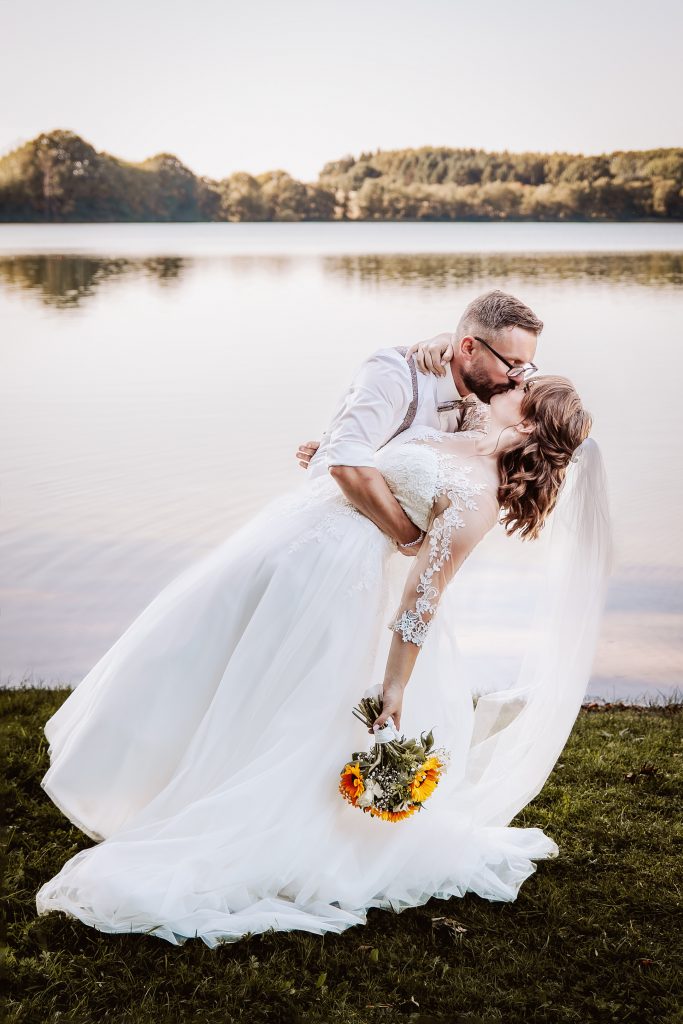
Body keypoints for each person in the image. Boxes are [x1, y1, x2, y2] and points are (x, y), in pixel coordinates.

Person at [35, 340, 612, 946]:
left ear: (526, 421)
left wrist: (393, 687)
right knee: (222, 671)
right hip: (302, 544)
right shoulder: (470, 430)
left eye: (524, 385)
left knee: (290, 709)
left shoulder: (479, 500)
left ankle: (247, 824)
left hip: (342, 584)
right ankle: (165, 781)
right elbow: (389, 453)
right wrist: (338, 455)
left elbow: (421, 600)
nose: (514, 380)